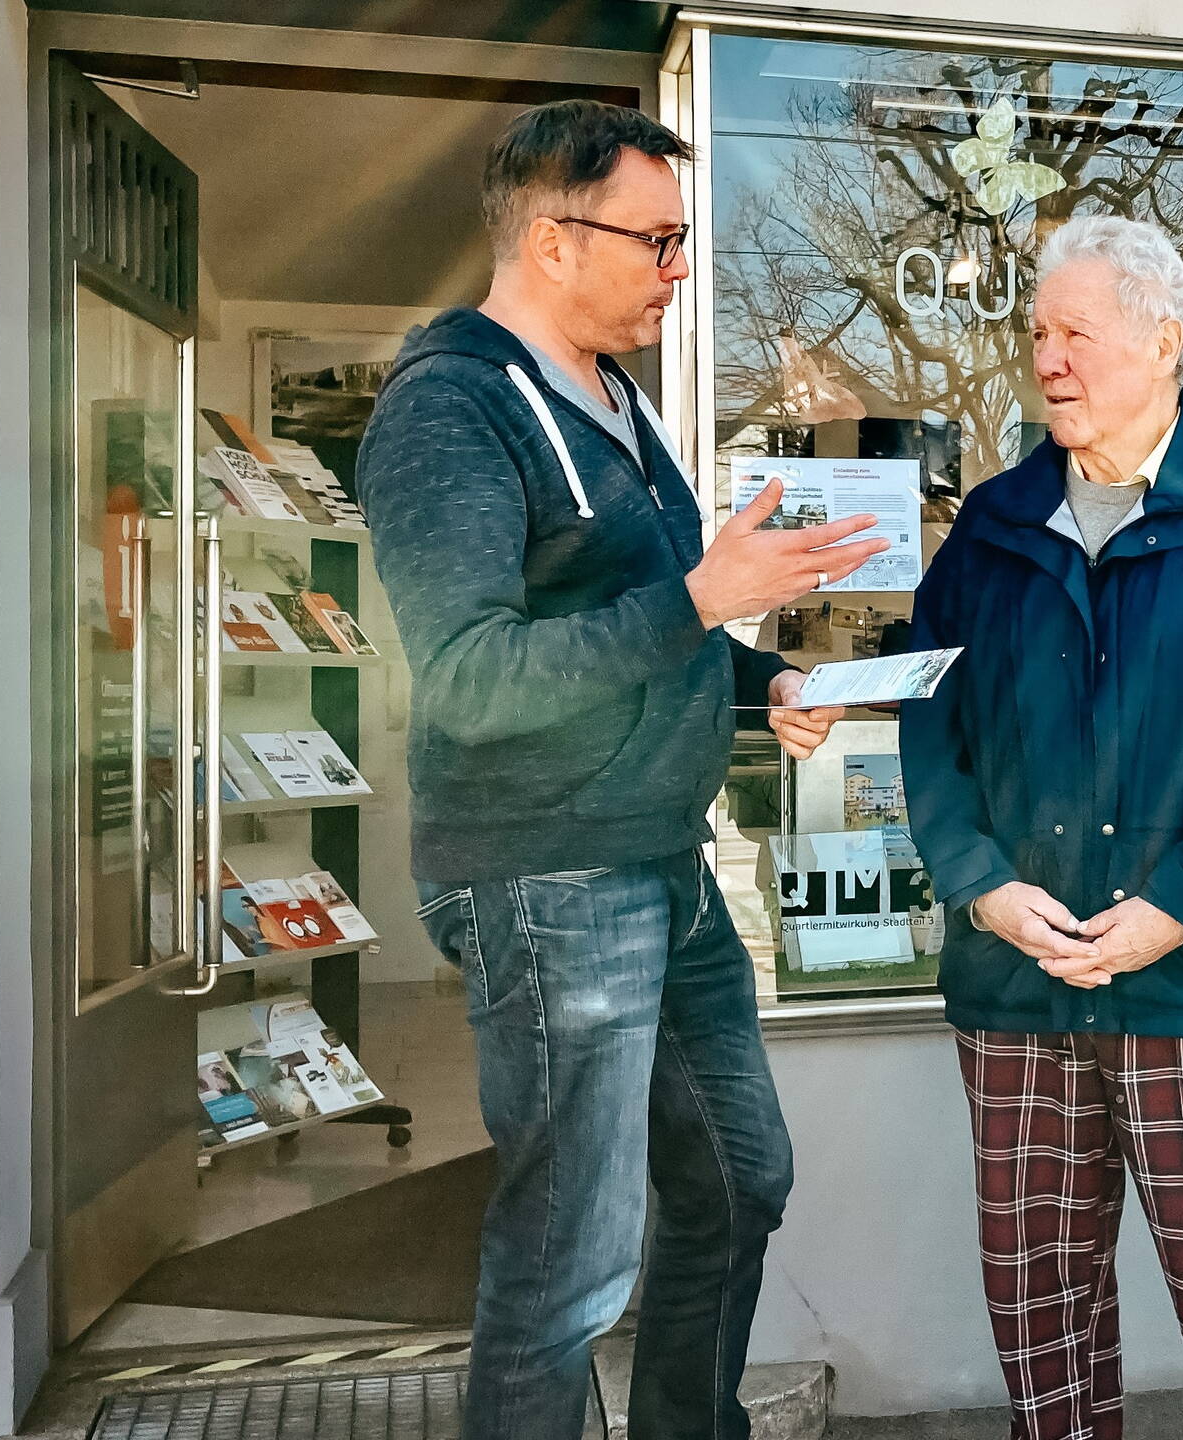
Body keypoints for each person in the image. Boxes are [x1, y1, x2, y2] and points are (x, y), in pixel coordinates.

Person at [356, 101, 886, 1440]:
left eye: (682, 239)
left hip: (663, 861)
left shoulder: (621, 406)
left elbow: (654, 622)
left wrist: (761, 683)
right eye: (655, 240)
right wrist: (705, 607)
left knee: (736, 1177)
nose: (677, 268)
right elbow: (472, 684)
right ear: (547, 238)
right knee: (569, 1259)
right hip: (547, 877)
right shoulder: (451, 409)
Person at [900, 215, 1183, 1440]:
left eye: (1076, 333)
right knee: (1039, 1307)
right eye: (1037, 332)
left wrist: (1175, 909)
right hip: (1020, 979)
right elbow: (930, 723)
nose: (1047, 357)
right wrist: (979, 884)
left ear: (1164, 339)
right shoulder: (991, 527)